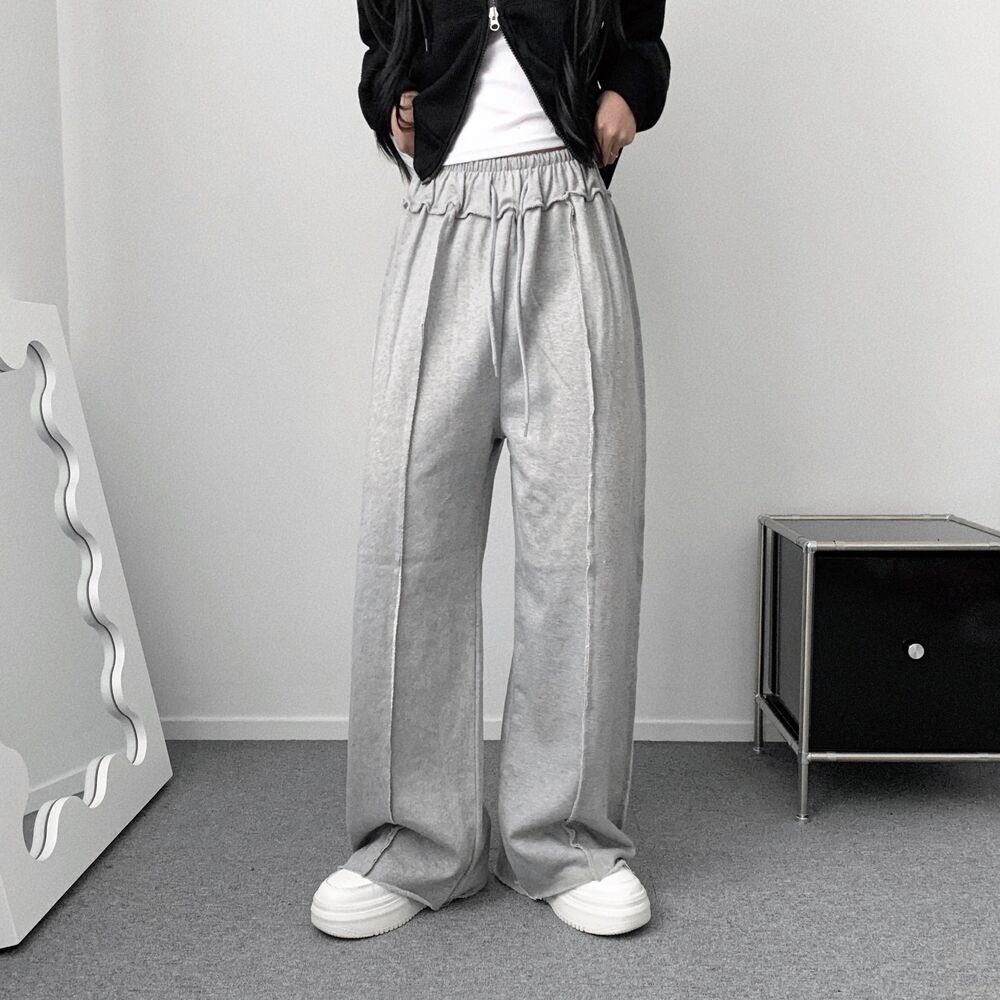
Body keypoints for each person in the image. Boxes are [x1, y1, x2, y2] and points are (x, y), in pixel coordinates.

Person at [311, 0, 670, 939]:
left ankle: (567, 839)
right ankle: (413, 840)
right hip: (443, 216)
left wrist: (629, 95)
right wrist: (390, 99)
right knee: (409, 532)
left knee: (582, 539)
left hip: (570, 210)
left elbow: (642, 38)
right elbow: (380, 43)